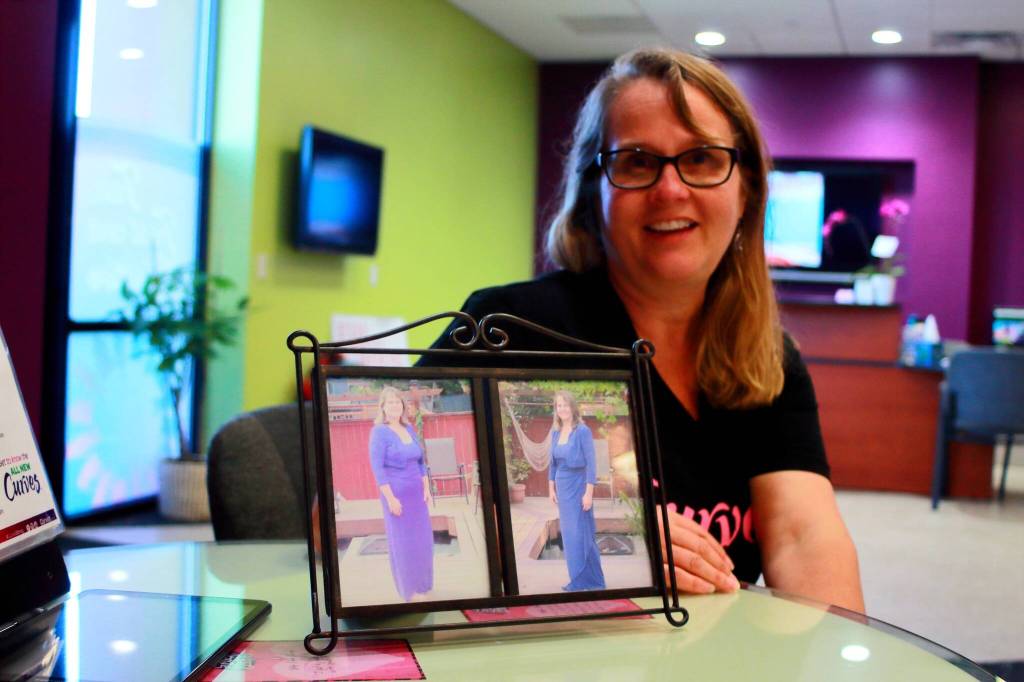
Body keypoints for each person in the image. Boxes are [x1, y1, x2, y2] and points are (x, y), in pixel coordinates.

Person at [424, 48, 863, 611]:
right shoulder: (508, 329)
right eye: (635, 161)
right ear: (593, 192)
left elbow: (805, 539)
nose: (670, 190)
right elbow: (339, 524)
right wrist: (608, 535)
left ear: (746, 189)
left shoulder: (768, 360)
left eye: (702, 159)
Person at [368, 386, 433, 601]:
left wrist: (426, 488)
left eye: (398, 402)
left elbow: (420, 461)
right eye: (391, 403)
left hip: (417, 495)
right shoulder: (379, 432)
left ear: (402, 406)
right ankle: (409, 591)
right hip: (397, 497)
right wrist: (390, 499)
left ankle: (422, 585)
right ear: (383, 407)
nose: (395, 406)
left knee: (422, 541)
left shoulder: (409, 428)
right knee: (404, 544)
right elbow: (378, 469)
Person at [548, 390, 606, 591]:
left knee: (582, 533)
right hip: (563, 488)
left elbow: (592, 463)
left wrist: (588, 493)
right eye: (558, 405)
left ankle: (592, 580)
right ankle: (577, 580)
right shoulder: (555, 432)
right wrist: (551, 488)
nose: (562, 408)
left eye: (565, 405)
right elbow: (552, 463)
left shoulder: (582, 431)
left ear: (572, 407)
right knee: (570, 535)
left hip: (579, 485)